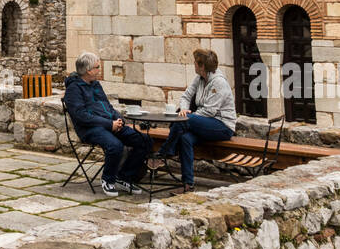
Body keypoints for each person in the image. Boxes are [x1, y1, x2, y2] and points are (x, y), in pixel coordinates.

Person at [62, 51, 150, 197]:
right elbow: (81, 116)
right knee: (115, 146)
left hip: (109, 124)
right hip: (89, 129)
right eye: (97, 67)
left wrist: (118, 119)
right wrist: (110, 124)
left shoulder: (95, 85)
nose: (99, 69)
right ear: (88, 70)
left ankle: (123, 177)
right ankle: (108, 179)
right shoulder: (74, 89)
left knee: (144, 140)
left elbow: (107, 106)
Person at [154, 48, 236, 192]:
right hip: (203, 122)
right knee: (185, 138)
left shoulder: (219, 83)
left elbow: (210, 111)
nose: (193, 64)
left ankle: (164, 153)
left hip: (222, 126)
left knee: (184, 120)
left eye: (195, 62)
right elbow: (186, 96)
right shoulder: (199, 78)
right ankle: (188, 184)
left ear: (202, 66)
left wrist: (188, 117)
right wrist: (184, 110)